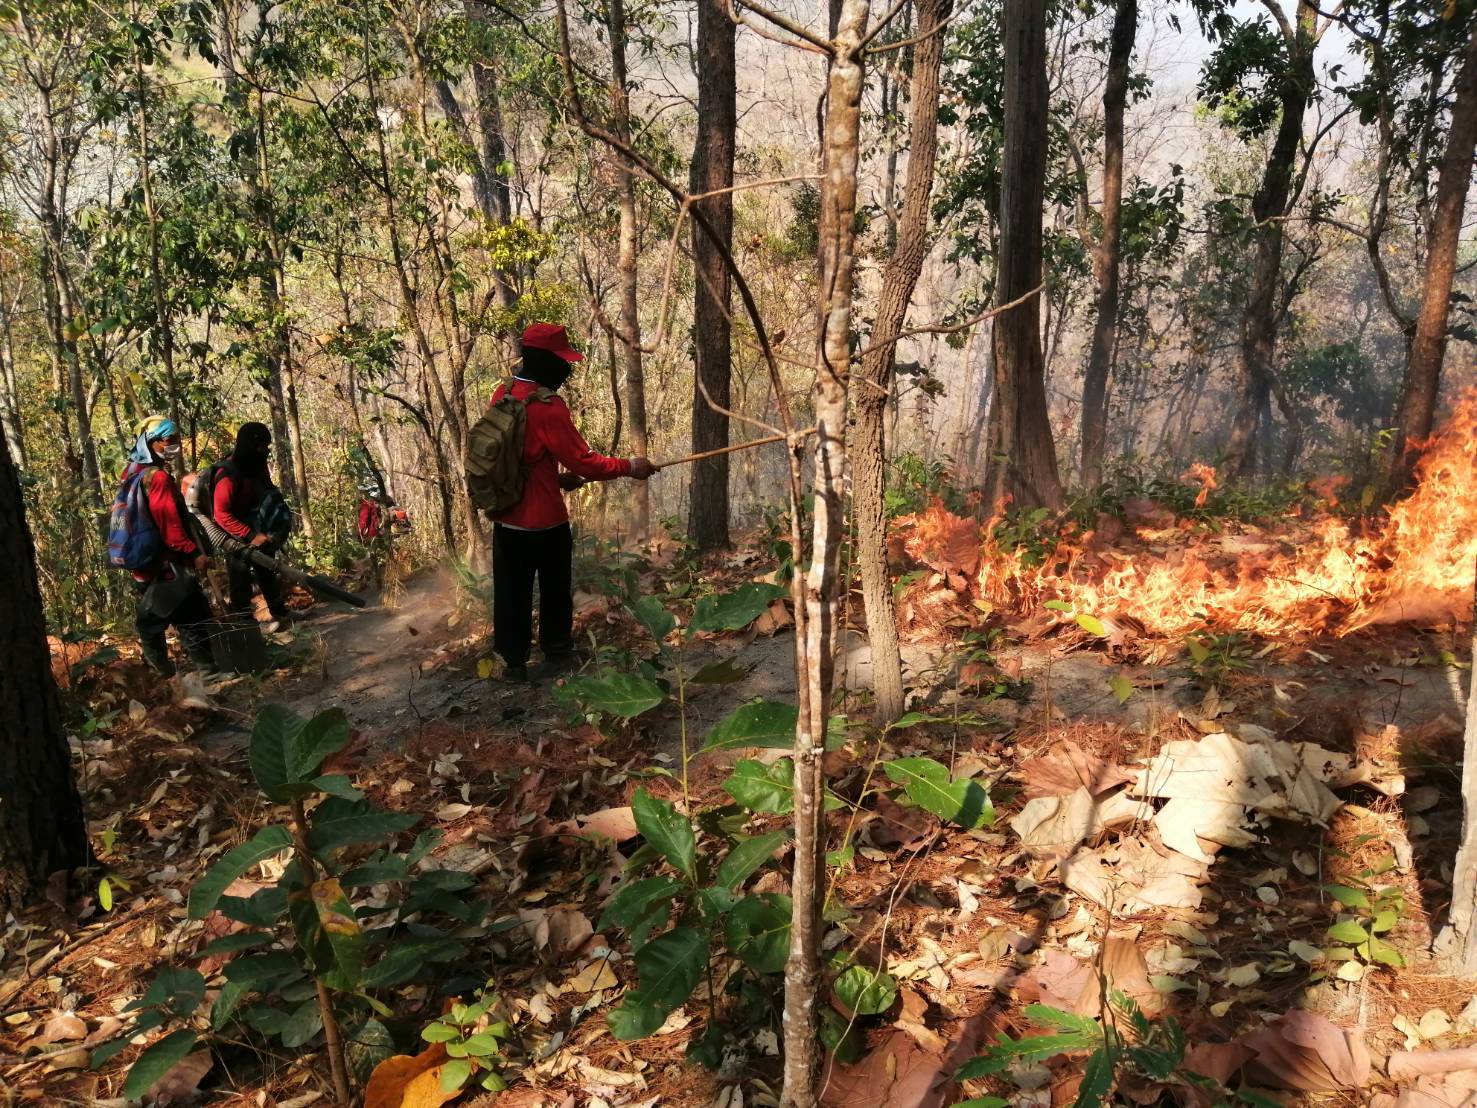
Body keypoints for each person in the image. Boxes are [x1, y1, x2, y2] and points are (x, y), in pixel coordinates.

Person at [490, 322, 655, 682]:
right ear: (546, 361)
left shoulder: (502, 393)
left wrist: (556, 477)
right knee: (553, 588)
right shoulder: (549, 406)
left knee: (511, 592)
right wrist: (631, 466)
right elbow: (584, 461)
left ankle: (513, 663)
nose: (567, 369)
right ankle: (557, 653)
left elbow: (521, 454)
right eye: (562, 362)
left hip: (505, 515)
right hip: (544, 521)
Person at [120, 416, 217, 676]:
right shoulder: (158, 478)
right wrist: (194, 552)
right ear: (152, 443)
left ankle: (201, 669)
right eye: (169, 440)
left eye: (176, 439)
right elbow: (170, 526)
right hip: (164, 564)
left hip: (145, 561)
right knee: (181, 616)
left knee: (189, 612)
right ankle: (172, 673)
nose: (176, 445)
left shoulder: (133, 472)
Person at [211, 422, 294, 632]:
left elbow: (268, 490)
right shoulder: (227, 476)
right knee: (239, 577)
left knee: (267, 570)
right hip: (233, 532)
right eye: (261, 447)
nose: (265, 451)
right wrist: (249, 535)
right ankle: (245, 625)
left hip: (257, 525)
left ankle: (280, 612)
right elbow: (221, 514)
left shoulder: (257, 466)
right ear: (249, 445)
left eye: (267, 447)